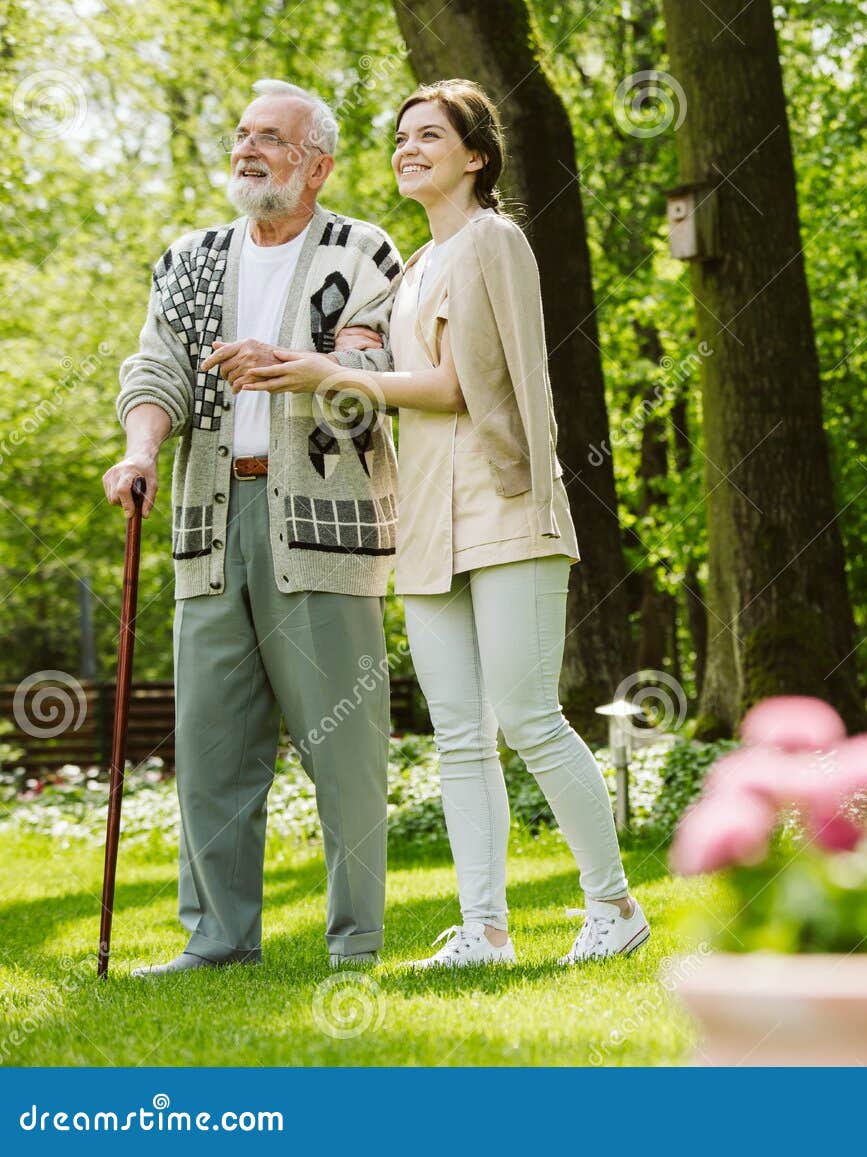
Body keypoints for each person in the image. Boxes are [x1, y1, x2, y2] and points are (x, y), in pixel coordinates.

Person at [234, 78, 648, 968]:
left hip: (503, 506)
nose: (409, 147)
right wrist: (310, 363)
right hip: (425, 518)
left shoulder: (492, 241)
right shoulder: (414, 267)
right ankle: (485, 929)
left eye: (431, 134)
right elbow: (379, 370)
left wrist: (317, 376)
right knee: (458, 732)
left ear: (477, 155)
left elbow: (457, 388)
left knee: (532, 716)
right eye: (400, 136)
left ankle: (614, 905)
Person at [103, 79, 403, 974]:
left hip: (324, 522)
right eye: (242, 134)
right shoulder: (191, 259)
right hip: (206, 518)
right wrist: (141, 453)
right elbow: (154, 371)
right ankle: (218, 939)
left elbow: (373, 360)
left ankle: (356, 943)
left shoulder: (361, 250)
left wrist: (294, 367)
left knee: (344, 752)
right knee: (211, 746)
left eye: (270, 137)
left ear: (316, 165)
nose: (248, 149)